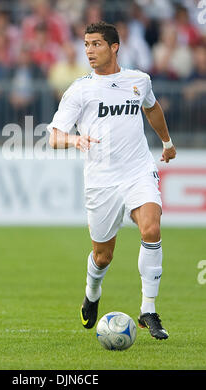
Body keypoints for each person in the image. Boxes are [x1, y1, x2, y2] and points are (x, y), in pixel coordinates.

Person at [48, 21, 176, 340]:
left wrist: (167, 142)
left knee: (151, 228)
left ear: (114, 47)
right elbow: (54, 136)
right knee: (103, 256)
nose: (89, 51)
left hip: (137, 170)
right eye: (86, 45)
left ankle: (148, 309)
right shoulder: (80, 89)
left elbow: (152, 108)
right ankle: (92, 293)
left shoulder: (138, 80)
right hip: (101, 180)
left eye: (96, 44)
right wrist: (74, 141)